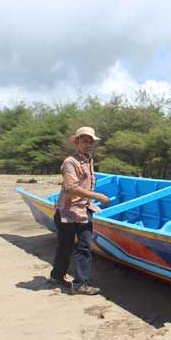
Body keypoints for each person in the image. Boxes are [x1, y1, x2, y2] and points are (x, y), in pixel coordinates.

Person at [48, 126, 110, 295]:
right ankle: (58, 276)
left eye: (90, 142)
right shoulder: (70, 162)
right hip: (67, 212)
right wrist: (97, 195)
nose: (88, 144)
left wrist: (90, 200)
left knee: (83, 246)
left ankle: (80, 282)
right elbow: (71, 188)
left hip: (83, 209)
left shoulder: (89, 159)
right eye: (84, 141)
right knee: (65, 247)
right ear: (77, 142)